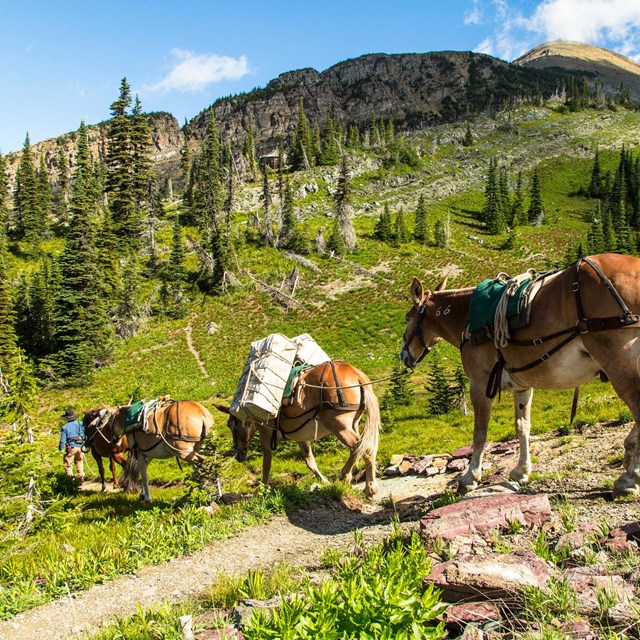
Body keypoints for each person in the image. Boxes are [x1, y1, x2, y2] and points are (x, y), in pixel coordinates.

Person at [59, 407, 86, 482]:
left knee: (68, 463)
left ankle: (71, 480)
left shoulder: (65, 427)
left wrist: (61, 448)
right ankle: (81, 478)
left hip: (71, 447)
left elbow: (62, 440)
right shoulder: (80, 423)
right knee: (79, 462)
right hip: (81, 446)